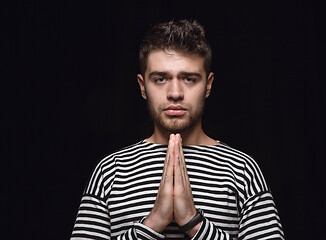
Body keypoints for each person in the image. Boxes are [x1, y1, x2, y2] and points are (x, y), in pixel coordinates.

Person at [71, 19, 284, 240]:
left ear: (208, 85)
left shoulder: (242, 170)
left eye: (189, 79)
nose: (175, 93)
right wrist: (153, 223)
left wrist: (193, 222)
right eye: (160, 79)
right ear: (143, 86)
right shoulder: (110, 171)